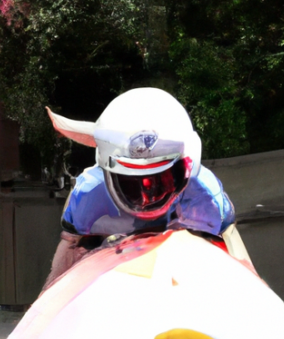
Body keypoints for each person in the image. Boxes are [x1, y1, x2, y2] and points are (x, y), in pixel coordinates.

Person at [44, 88, 237, 285]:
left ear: (186, 166)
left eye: (160, 181)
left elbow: (233, 254)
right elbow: (70, 252)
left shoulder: (205, 197)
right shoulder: (90, 195)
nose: (146, 197)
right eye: (131, 183)